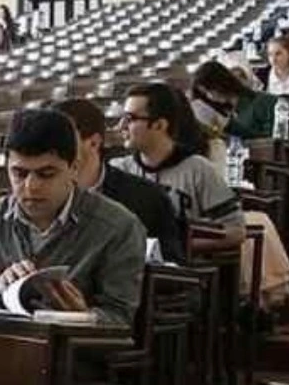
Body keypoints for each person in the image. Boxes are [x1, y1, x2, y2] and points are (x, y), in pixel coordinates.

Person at [0, 109, 146, 327]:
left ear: (74, 168)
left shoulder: (119, 228)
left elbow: (122, 318)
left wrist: (84, 317)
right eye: (19, 174)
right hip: (0, 344)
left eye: (46, 174)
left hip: (72, 347)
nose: (31, 186)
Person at [111, 83, 245, 252]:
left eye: (130, 119)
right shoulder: (118, 170)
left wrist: (175, 247)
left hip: (180, 266)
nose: (120, 126)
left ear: (159, 125)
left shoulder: (198, 170)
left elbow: (236, 231)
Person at [54, 98, 188, 264]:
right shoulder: (37, 197)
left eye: (62, 142)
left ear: (94, 143)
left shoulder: (148, 198)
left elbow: (172, 269)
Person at [191, 60, 278, 140]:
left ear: (221, 81)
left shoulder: (264, 102)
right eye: (205, 94)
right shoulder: (228, 113)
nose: (210, 96)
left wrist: (230, 127)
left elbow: (272, 139)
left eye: (210, 89)